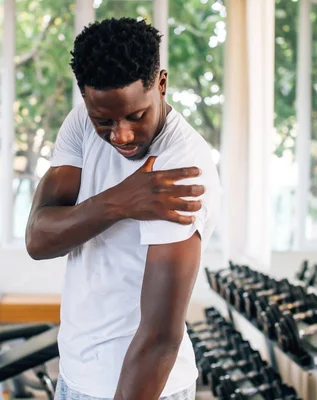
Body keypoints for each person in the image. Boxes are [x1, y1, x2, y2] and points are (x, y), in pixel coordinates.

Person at [25, 17, 222, 400]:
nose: (122, 135)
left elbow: (161, 337)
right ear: (84, 98)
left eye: (136, 116)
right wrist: (120, 202)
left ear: (161, 84)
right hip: (75, 375)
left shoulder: (181, 169)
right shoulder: (81, 122)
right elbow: (38, 239)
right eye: (105, 121)